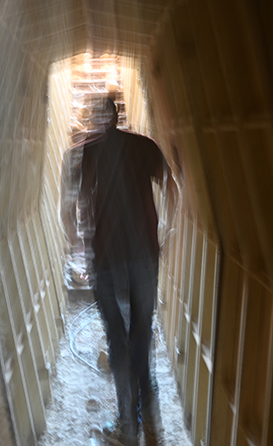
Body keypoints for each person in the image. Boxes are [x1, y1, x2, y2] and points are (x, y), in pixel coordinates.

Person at [62, 96, 175, 446]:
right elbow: (173, 185)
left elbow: (68, 209)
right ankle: (152, 424)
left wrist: (77, 249)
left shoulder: (81, 153)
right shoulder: (145, 146)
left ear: (94, 119)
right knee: (142, 336)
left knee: (118, 340)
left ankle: (128, 426)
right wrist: (167, 233)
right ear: (119, 116)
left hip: (107, 260)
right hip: (144, 256)